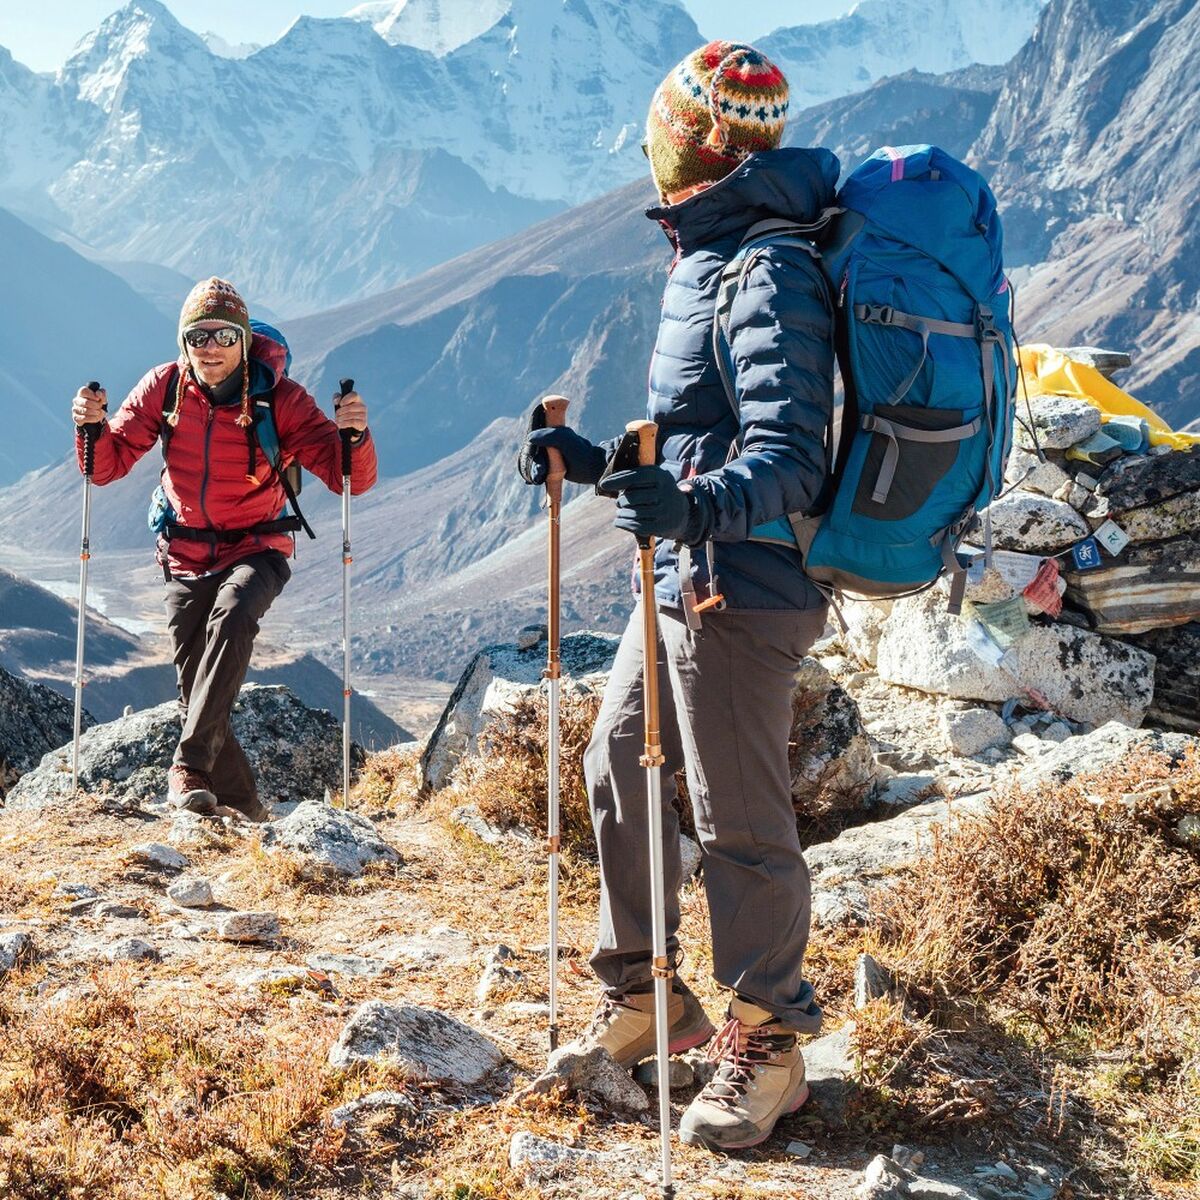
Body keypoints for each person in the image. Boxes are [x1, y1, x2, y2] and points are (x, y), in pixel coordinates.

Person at [519, 42, 839, 1151]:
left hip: (745, 588)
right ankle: (651, 996)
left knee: (740, 820)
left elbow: (792, 458)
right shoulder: (708, 255)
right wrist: (599, 461)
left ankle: (771, 1047)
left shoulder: (771, 270)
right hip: (685, 572)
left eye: (659, 131)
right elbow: (698, 442)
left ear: (689, 144)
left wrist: (694, 510)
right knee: (616, 758)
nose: (646, 150)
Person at [71, 277, 377, 821]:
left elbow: (346, 476)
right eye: (197, 335)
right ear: (183, 341)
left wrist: (355, 435)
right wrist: (91, 428)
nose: (209, 347)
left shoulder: (279, 399)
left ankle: (187, 767)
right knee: (198, 693)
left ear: (242, 339)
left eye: (222, 335)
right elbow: (109, 466)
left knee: (233, 618)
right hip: (184, 551)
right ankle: (244, 808)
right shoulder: (164, 388)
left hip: (258, 545)